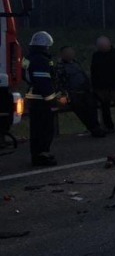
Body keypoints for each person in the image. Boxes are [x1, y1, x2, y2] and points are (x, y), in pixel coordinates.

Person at [24, 31, 64, 166]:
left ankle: (38, 154)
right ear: (44, 46)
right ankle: (41, 155)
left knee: (37, 128)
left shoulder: (30, 57)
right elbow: (44, 82)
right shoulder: (40, 60)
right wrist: (52, 99)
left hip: (34, 97)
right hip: (41, 100)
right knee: (44, 128)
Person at [55, 46, 105, 138]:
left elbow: (84, 75)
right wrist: (64, 95)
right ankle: (94, 129)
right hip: (73, 93)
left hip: (85, 91)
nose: (70, 54)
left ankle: (97, 127)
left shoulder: (76, 63)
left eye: (71, 52)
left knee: (92, 106)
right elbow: (59, 82)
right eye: (67, 53)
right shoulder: (60, 67)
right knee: (81, 109)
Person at [90, 36, 115, 134]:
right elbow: (93, 71)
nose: (102, 48)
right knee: (105, 108)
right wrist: (94, 86)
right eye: (100, 46)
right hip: (101, 87)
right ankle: (109, 127)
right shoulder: (96, 56)